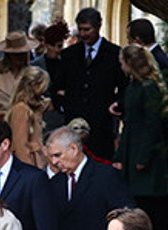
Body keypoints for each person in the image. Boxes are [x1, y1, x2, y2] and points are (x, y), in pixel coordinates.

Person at [114, 44, 168, 230]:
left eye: (123, 63)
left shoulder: (149, 88)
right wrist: (120, 156)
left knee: (152, 202)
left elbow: (152, 124)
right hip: (132, 147)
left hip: (145, 152)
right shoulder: (134, 86)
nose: (121, 67)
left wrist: (143, 157)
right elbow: (129, 123)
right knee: (138, 200)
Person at [52, 7, 126, 160]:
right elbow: (57, 87)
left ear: (98, 26)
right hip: (73, 125)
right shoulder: (69, 55)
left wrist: (115, 104)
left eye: (87, 29)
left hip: (102, 127)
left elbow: (124, 87)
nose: (83, 34)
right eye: (80, 30)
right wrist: (65, 103)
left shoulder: (114, 54)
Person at [5, 66, 51, 169]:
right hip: (30, 163)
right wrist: (28, 171)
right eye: (42, 86)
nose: (44, 90)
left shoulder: (34, 108)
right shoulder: (21, 110)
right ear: (35, 85)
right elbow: (20, 145)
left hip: (38, 161)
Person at [32, 19, 70, 130]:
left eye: (60, 46)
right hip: (42, 120)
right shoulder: (35, 66)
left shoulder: (66, 64)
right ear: (46, 45)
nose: (57, 50)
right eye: (55, 46)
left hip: (63, 119)